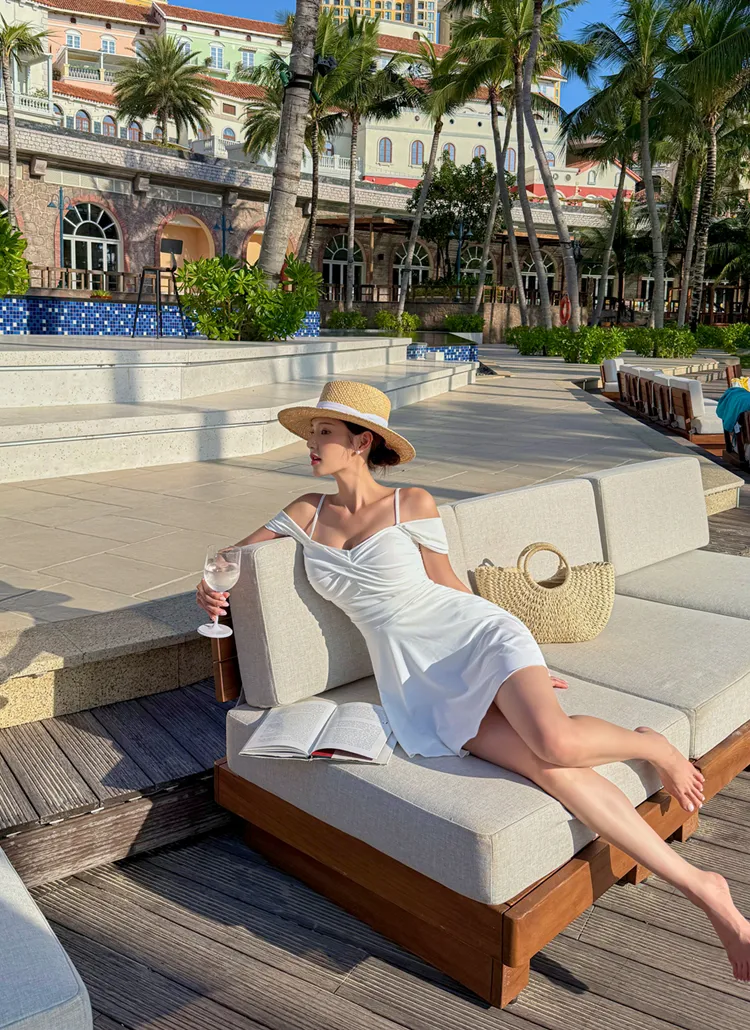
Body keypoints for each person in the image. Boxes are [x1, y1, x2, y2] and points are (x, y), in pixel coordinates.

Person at [197, 379, 750, 981]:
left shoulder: (411, 503)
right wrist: (211, 587)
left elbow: (449, 584)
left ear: (361, 441)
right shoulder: (306, 511)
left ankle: (653, 745)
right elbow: (228, 560)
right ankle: (704, 885)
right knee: (551, 771)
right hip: (416, 681)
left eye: (323, 431)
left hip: (475, 636)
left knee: (555, 743)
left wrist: (521, 659)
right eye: (311, 432)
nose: (311, 442)